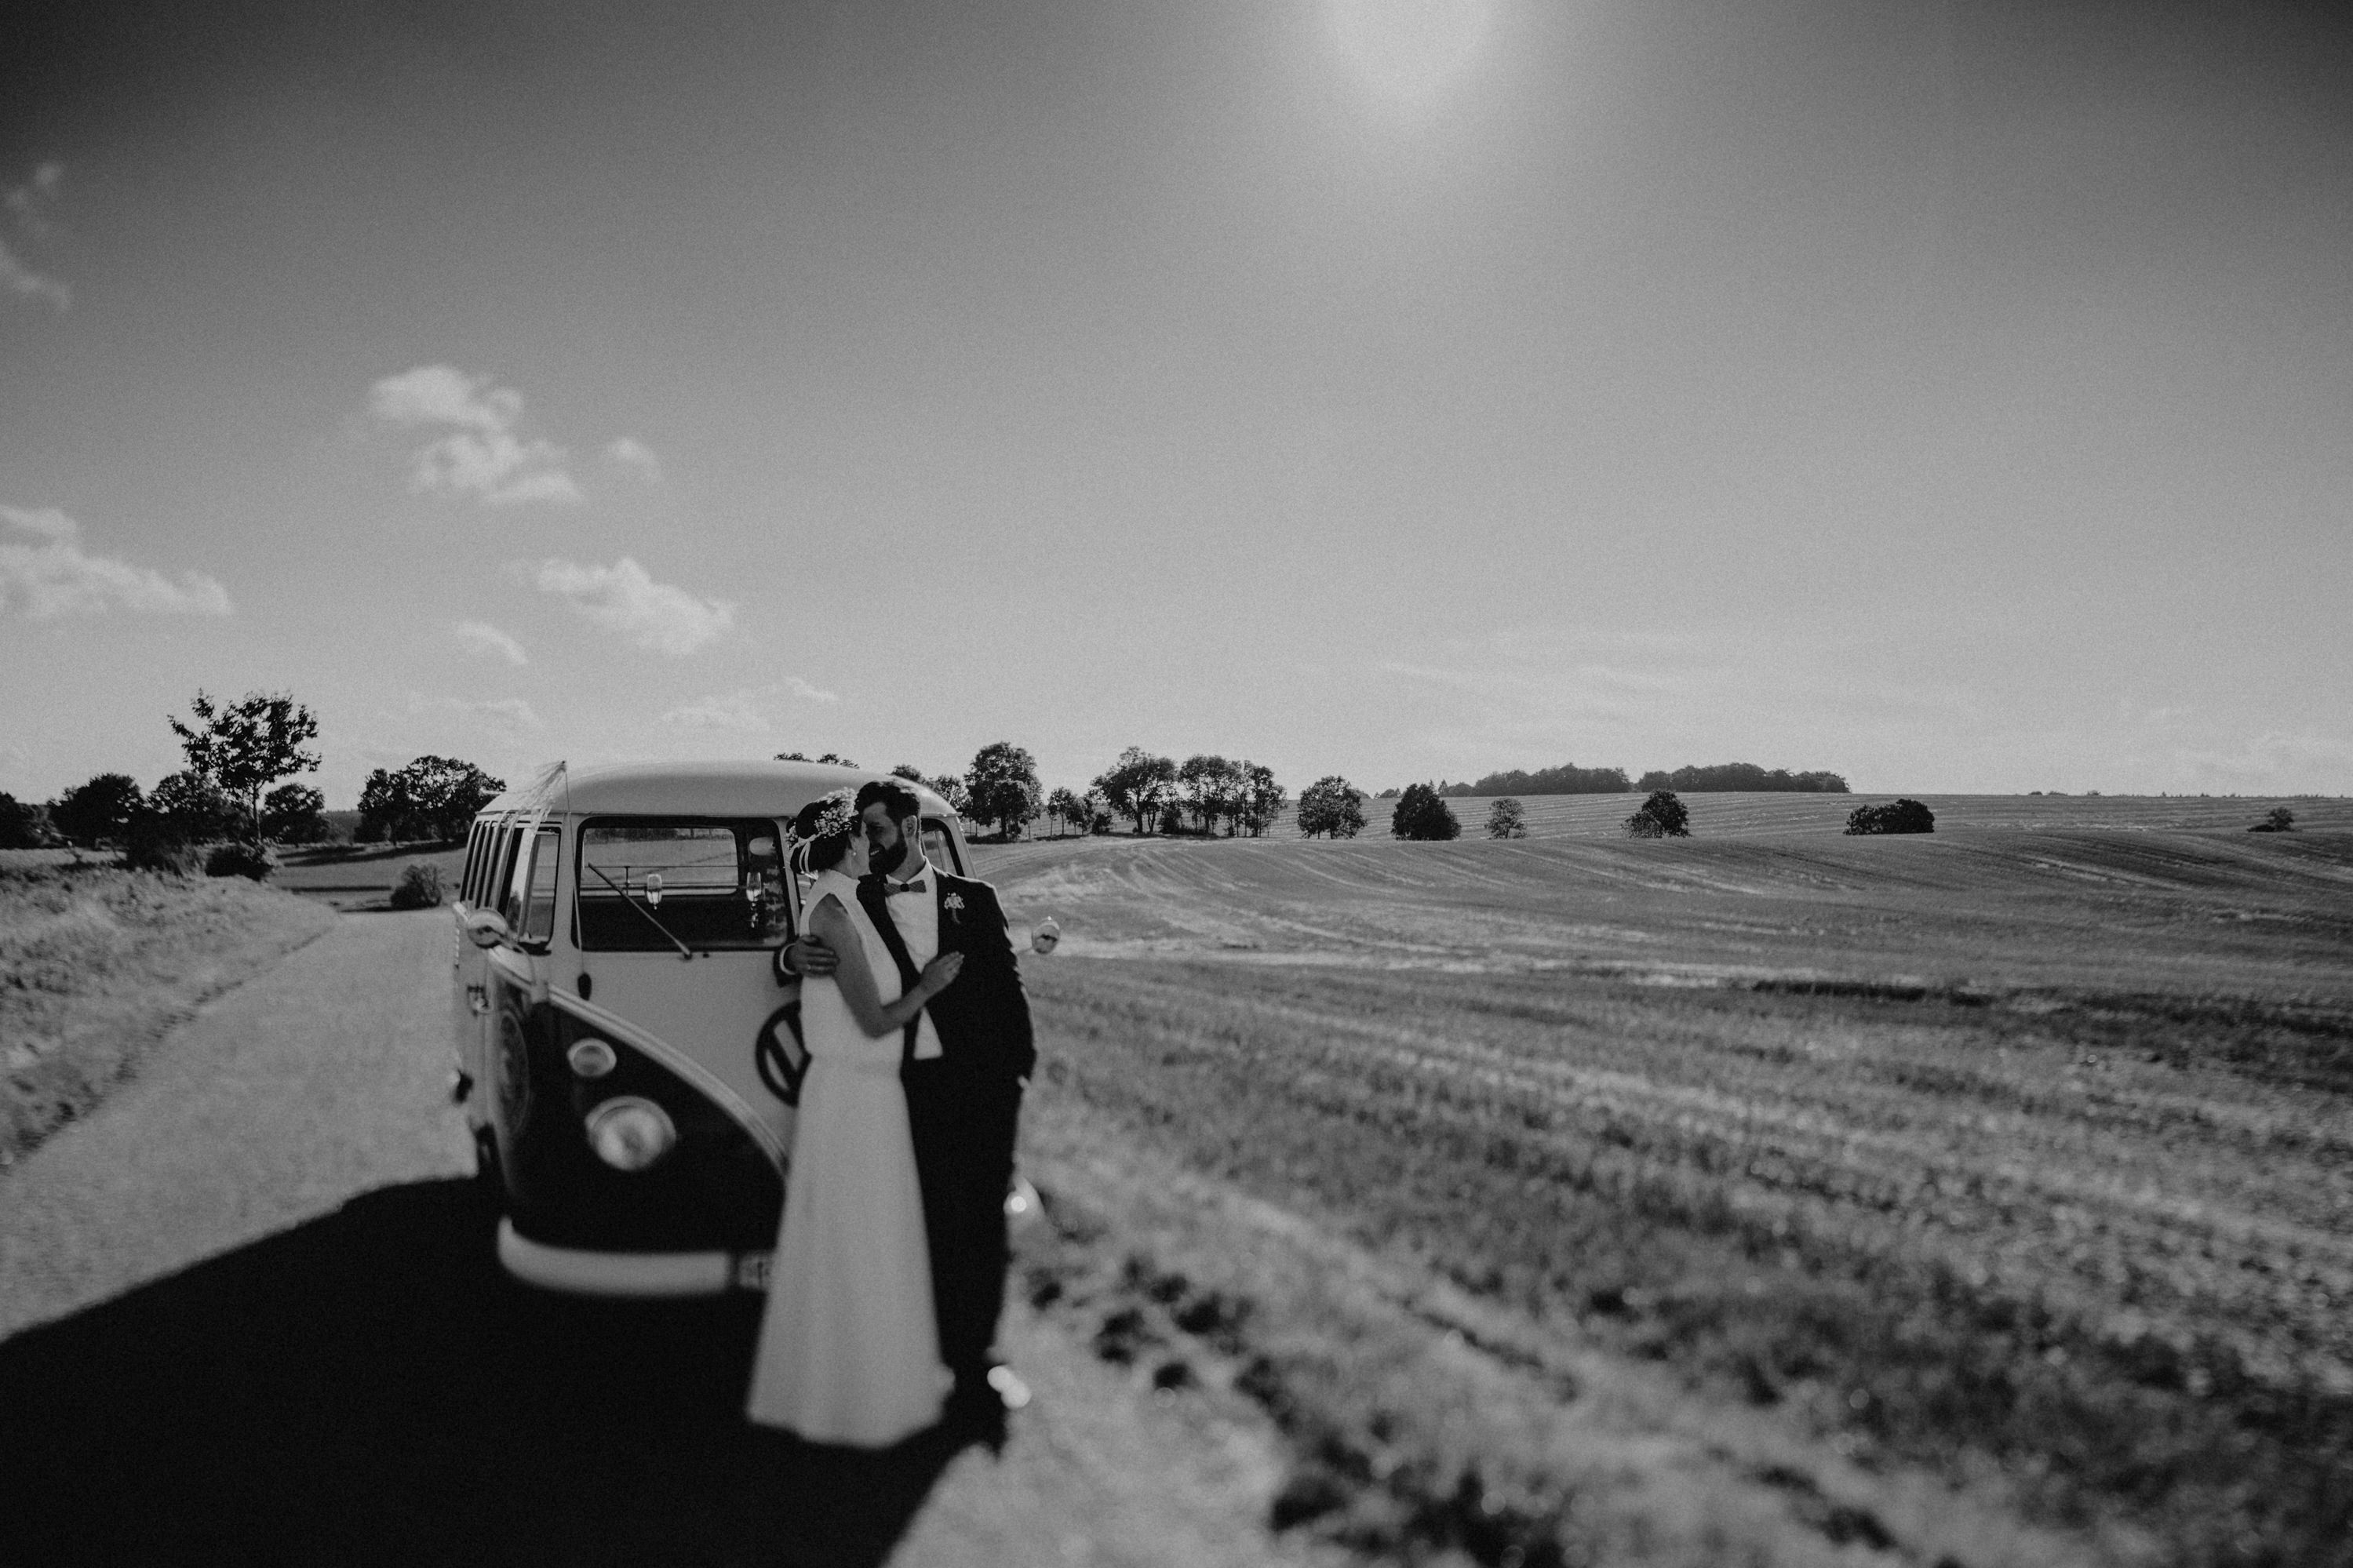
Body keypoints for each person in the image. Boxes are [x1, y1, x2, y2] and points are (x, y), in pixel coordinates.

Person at [781, 776, 1036, 1446]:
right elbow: (824, 933)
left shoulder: (971, 899)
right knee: (913, 1224)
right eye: (861, 830)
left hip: (979, 1090)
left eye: (880, 829)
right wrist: (790, 952)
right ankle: (906, 1358)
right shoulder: (855, 893)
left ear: (913, 828)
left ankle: (974, 1365)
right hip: (901, 1087)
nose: (869, 840)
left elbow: (1007, 990)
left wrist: (1014, 1076)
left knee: (979, 1226)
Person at [745, 791, 963, 1446]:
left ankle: (863, 1386)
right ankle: (857, 1398)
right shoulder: (835, 909)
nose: (878, 842)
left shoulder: (839, 900)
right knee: (858, 1241)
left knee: (860, 1239)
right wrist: (929, 986)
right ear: (849, 842)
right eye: (867, 834)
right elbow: (872, 1021)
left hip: (866, 1093)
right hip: (855, 1092)